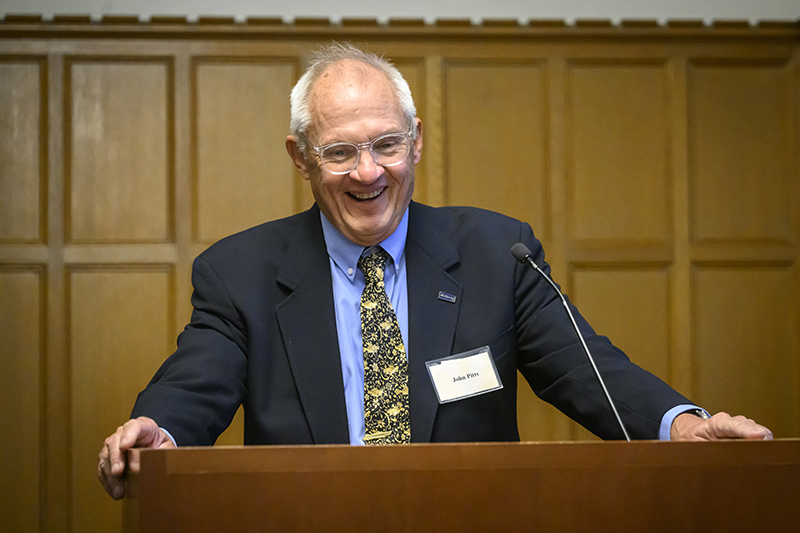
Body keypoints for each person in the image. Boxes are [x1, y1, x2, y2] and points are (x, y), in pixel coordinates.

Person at [98, 42, 772, 500]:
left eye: (388, 144)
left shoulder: (494, 252)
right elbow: (197, 383)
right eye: (340, 151)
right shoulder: (239, 270)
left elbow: (588, 369)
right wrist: (161, 430)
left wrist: (681, 424)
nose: (370, 171)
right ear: (300, 157)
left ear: (416, 140)